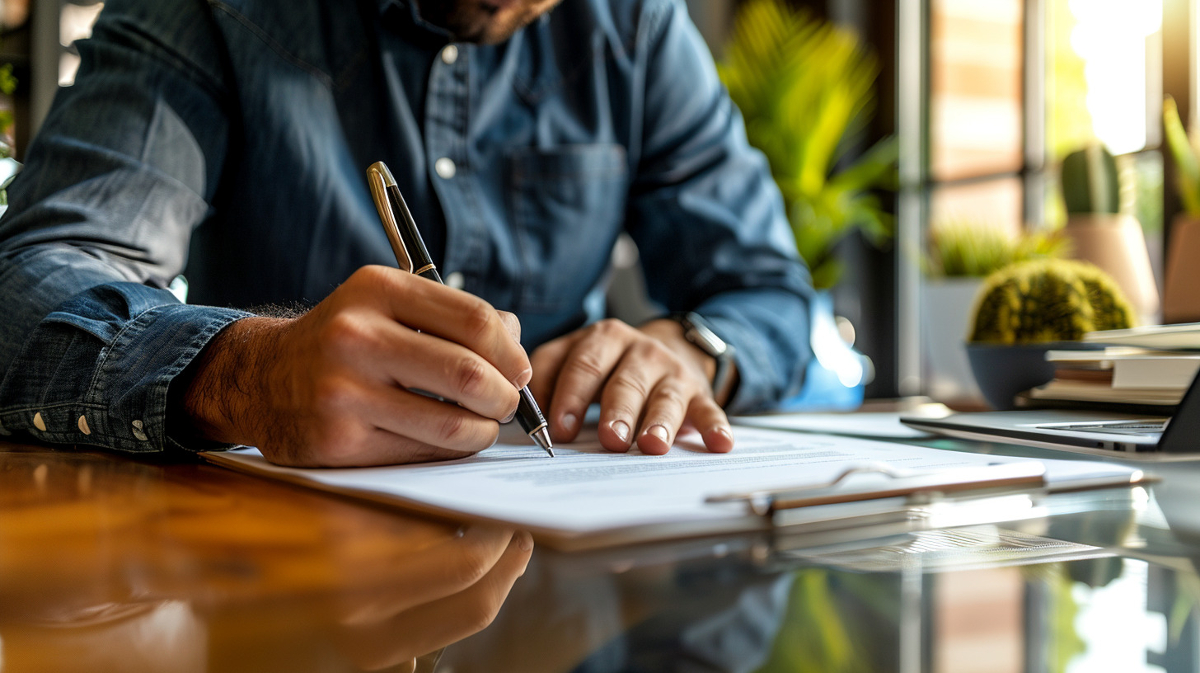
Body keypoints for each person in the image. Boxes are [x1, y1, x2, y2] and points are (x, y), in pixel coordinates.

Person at [0, 0, 814, 467]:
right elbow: (33, 274)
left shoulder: (634, 26)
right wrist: (241, 374)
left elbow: (769, 293)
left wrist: (692, 349)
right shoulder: (214, 9)